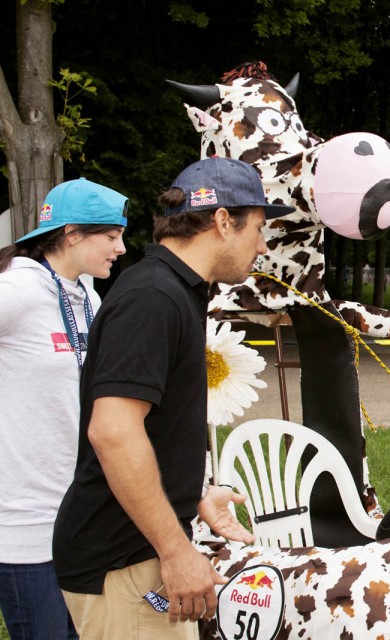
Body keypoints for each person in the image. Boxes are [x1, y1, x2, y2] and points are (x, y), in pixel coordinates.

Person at [52, 157, 292, 638]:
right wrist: (177, 551)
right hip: (122, 559)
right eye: (259, 229)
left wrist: (189, 496)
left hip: (138, 551)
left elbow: (151, 427)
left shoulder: (175, 290)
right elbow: (113, 432)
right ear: (224, 221)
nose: (262, 246)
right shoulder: (154, 297)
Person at [0, 179, 128, 640]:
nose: (121, 247)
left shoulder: (88, 299)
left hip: (78, 518)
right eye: (111, 236)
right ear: (72, 234)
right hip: (25, 526)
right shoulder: (18, 288)